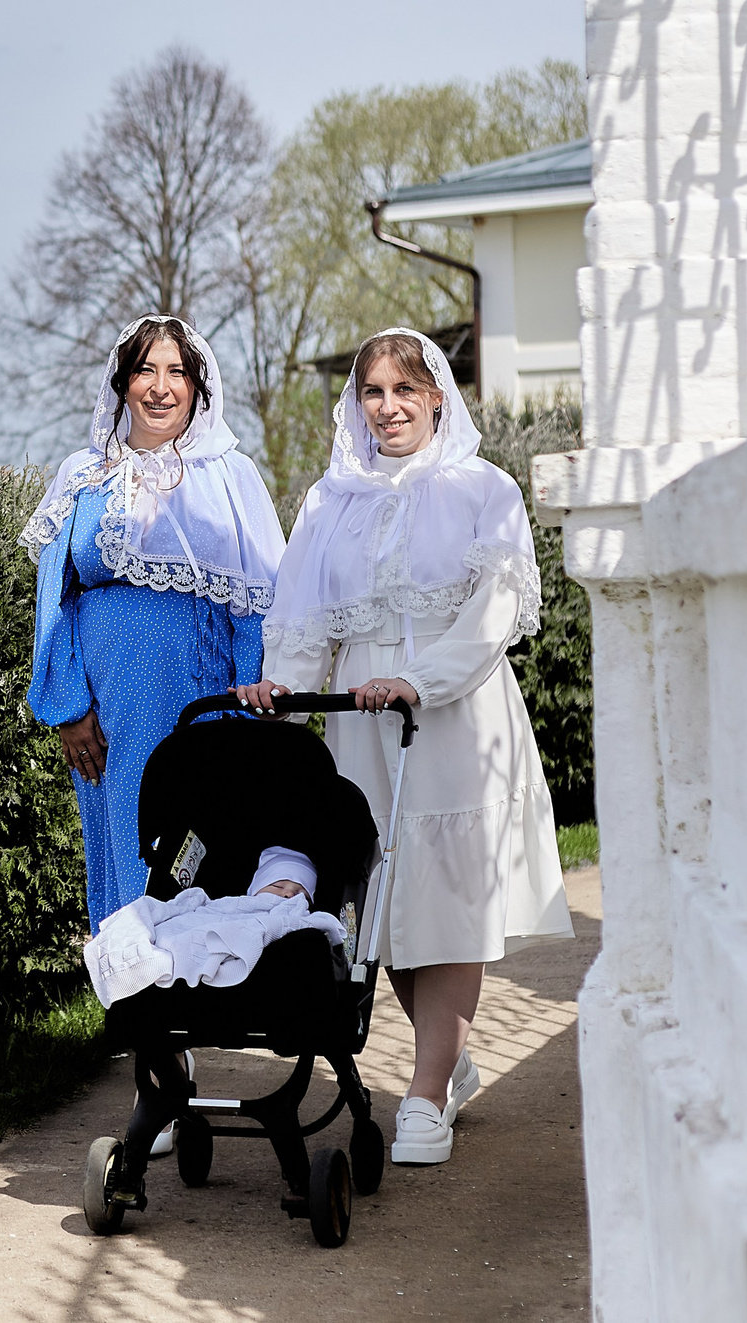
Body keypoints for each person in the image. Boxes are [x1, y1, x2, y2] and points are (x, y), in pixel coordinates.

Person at [234, 328, 572, 1168]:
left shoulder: (484, 489)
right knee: (381, 898)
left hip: (454, 712)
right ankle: (447, 1060)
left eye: (404, 390)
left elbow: (493, 613)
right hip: (359, 717)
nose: (388, 407)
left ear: (436, 398)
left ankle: (424, 1091)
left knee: (447, 900)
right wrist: (282, 690)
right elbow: (303, 618)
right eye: (373, 392)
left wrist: (421, 679)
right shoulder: (329, 502)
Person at [21, 315, 288, 928]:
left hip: (205, 705)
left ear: (198, 387)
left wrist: (250, 708)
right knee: (128, 857)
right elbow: (54, 600)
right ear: (123, 384)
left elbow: (258, 601)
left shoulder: (231, 476)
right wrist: (69, 708)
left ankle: (204, 985)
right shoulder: (84, 475)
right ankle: (132, 985)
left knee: (206, 856)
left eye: (177, 373)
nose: (160, 388)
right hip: (109, 714)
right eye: (146, 371)